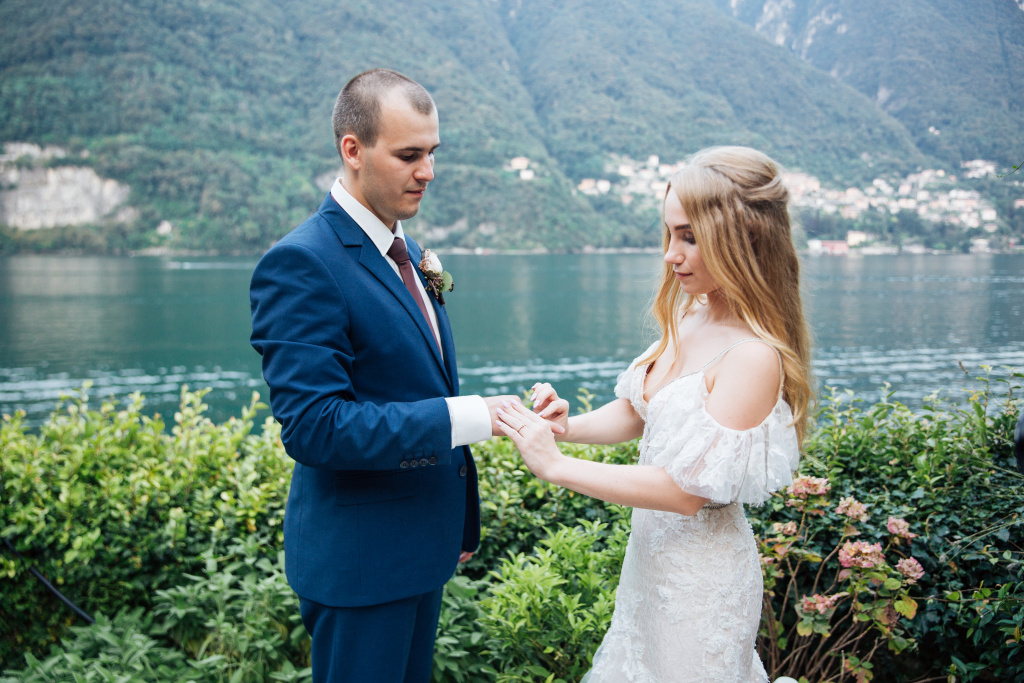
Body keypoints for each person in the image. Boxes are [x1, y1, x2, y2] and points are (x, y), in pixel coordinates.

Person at [249, 69, 533, 683]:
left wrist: (457, 517)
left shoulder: (407, 252)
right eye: (409, 155)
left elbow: (415, 382)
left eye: (432, 153)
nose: (428, 171)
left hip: (419, 550)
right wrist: (472, 416)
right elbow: (315, 427)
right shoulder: (302, 262)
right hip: (360, 566)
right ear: (352, 150)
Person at [496, 146, 814, 682]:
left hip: (702, 587)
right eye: (669, 234)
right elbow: (638, 410)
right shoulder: (693, 313)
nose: (670, 255)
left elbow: (686, 492)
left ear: (743, 238)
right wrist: (565, 428)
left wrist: (555, 466)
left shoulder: (753, 356)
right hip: (649, 570)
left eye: (689, 237)